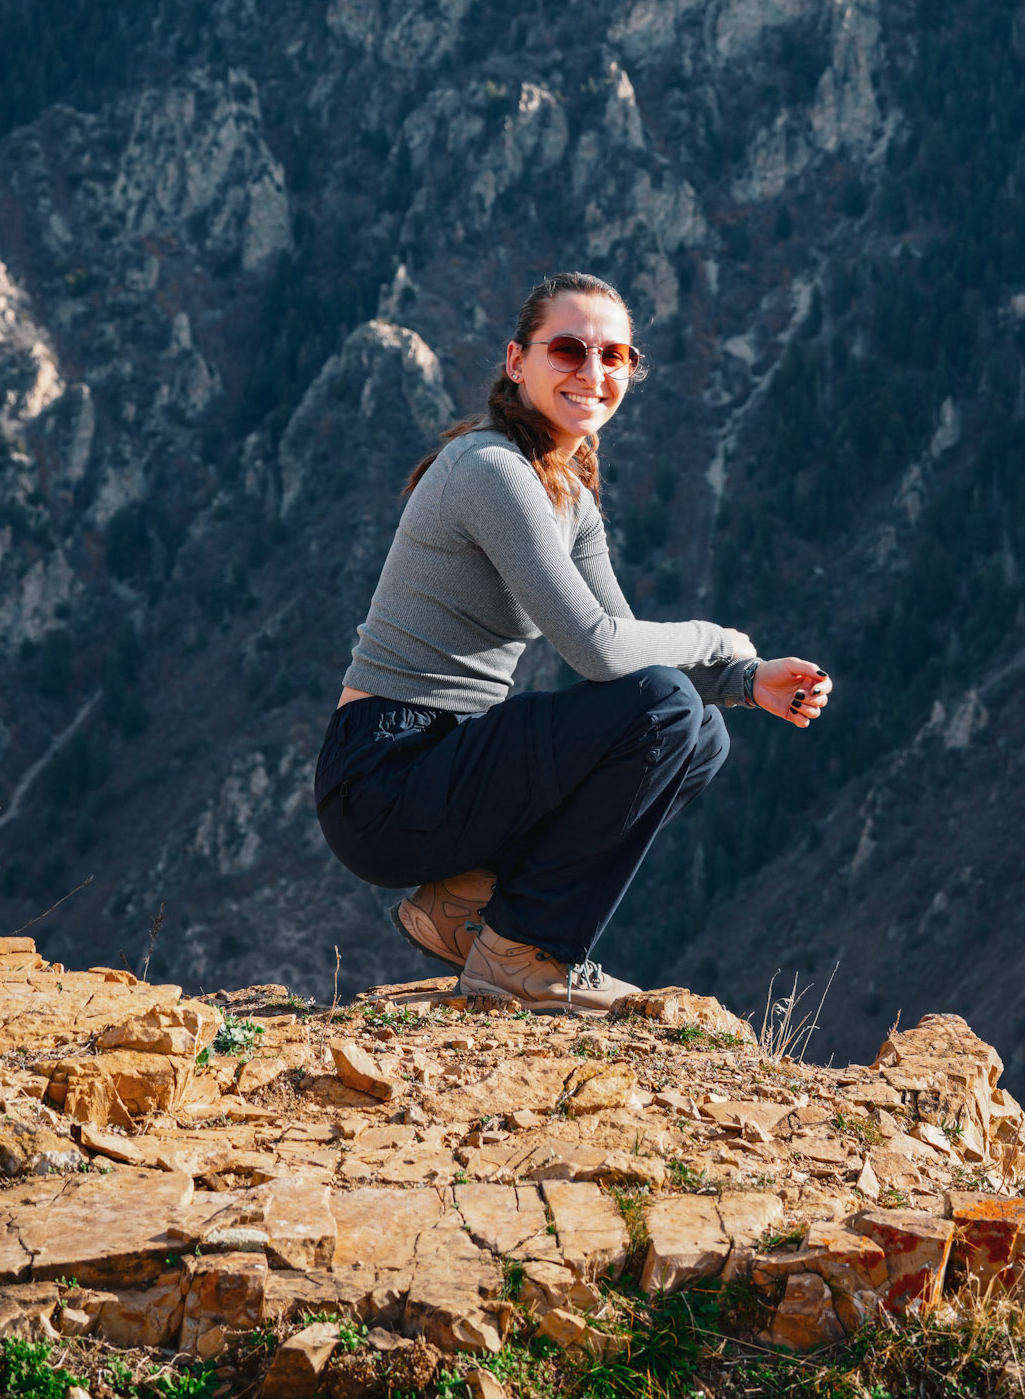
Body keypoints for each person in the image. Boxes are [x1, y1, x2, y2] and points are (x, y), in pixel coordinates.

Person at [315, 270, 832, 1014]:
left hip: (446, 766)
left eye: (614, 356)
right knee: (665, 706)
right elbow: (599, 651)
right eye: (567, 349)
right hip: (384, 777)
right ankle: (525, 951)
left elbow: (623, 655)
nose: (592, 371)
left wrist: (744, 680)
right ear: (516, 361)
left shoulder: (568, 492)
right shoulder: (490, 469)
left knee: (698, 732)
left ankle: (466, 910)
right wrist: (720, 639)